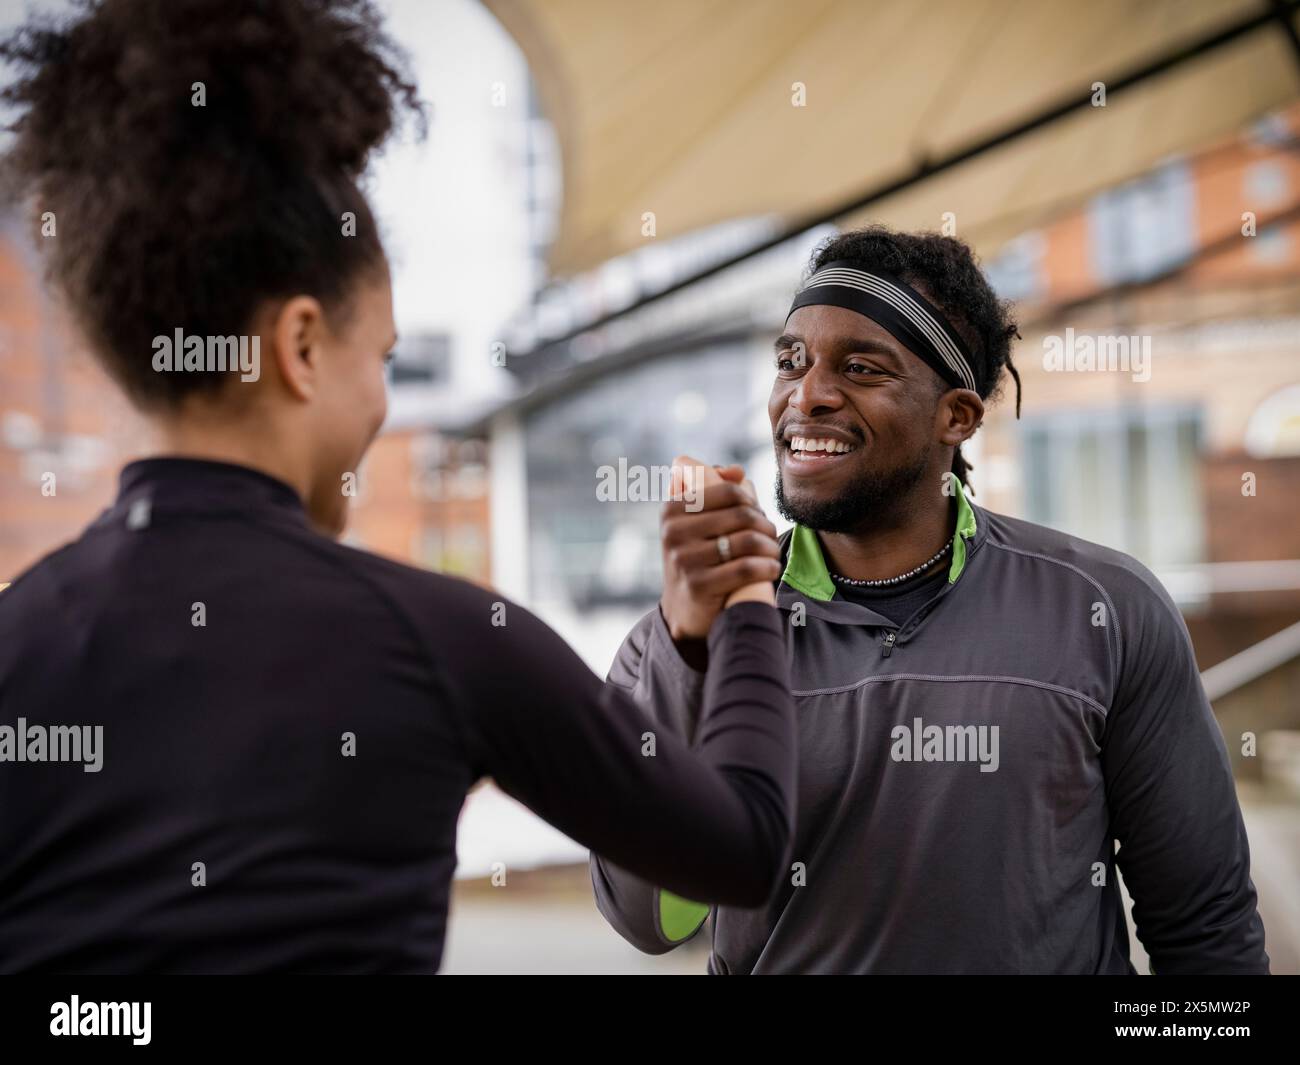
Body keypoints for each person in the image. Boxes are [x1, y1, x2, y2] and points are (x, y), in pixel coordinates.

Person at [0, 0, 795, 973]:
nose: (384, 401)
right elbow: (744, 849)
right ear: (300, 346)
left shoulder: (20, 640)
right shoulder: (446, 640)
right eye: (380, 355)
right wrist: (748, 601)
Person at [591, 226, 1271, 975]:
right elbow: (648, 917)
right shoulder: (694, 636)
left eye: (859, 367)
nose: (807, 395)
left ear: (957, 416)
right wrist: (687, 651)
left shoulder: (1107, 610)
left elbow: (1208, 928)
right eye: (791, 361)